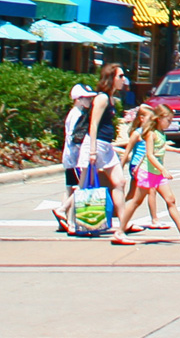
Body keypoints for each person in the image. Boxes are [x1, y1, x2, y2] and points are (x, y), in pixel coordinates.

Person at [111, 104, 180, 245]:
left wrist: (177, 150)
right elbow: (150, 155)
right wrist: (163, 169)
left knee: (170, 199)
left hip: (156, 173)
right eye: (168, 120)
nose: (170, 123)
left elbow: (161, 146)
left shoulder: (160, 134)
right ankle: (120, 231)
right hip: (147, 172)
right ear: (159, 119)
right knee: (136, 201)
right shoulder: (150, 133)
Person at [78, 63, 130, 237]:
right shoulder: (102, 98)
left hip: (106, 146)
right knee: (83, 185)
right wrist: (92, 151)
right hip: (96, 145)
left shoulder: (111, 98)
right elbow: (93, 124)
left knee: (120, 182)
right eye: (120, 76)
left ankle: (123, 224)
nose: (123, 80)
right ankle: (67, 215)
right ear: (111, 78)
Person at [53, 83, 97, 232]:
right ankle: (70, 222)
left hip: (69, 158)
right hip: (76, 158)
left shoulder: (73, 113)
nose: (89, 102)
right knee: (78, 188)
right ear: (78, 99)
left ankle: (63, 222)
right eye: (86, 98)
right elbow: (76, 137)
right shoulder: (78, 115)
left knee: (69, 190)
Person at [118, 104, 170, 231]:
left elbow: (160, 148)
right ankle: (154, 219)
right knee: (150, 190)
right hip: (138, 166)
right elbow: (127, 152)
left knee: (133, 195)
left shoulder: (152, 133)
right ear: (141, 118)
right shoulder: (138, 133)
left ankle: (117, 207)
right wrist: (120, 168)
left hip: (147, 165)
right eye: (150, 117)